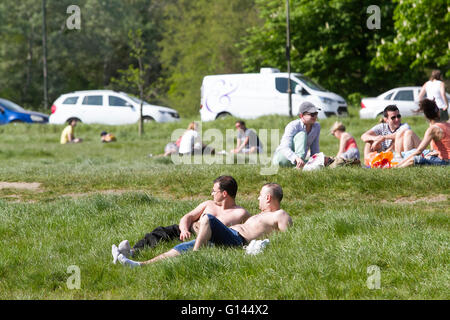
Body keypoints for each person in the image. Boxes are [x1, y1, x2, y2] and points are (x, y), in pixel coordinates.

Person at [113, 183, 292, 267]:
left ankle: (196, 257)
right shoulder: (259, 215)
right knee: (180, 247)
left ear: (268, 197)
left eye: (260, 195)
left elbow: (288, 241)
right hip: (226, 237)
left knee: (208, 219)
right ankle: (140, 264)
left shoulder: (280, 214)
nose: (258, 198)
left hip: (238, 241)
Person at [112, 176, 250, 259]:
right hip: (188, 231)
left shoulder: (240, 214)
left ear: (224, 193)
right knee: (161, 232)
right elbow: (188, 216)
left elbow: (248, 230)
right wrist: (183, 229)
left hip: (204, 239)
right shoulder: (208, 204)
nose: (212, 193)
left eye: (214, 191)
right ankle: (132, 252)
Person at [396, 99, 450, 167]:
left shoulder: (433, 129)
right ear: (438, 112)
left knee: (414, 159)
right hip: (441, 157)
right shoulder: (447, 124)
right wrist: (436, 152)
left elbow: (419, 151)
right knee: (412, 153)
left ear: (426, 116)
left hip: (445, 162)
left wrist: (399, 164)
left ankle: (397, 167)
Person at [272, 102, 321, 169]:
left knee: (320, 164)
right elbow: (284, 147)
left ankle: (300, 166)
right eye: (312, 114)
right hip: (282, 159)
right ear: (301, 116)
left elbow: (315, 149)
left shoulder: (317, 126)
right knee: (302, 134)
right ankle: (299, 165)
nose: (315, 116)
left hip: (300, 160)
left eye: (316, 113)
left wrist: (317, 160)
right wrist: (296, 158)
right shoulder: (293, 125)